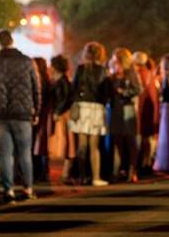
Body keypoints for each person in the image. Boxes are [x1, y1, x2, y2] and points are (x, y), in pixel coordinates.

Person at [0, 29, 41, 203]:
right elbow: (36, 88)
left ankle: (9, 191)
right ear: (12, 41)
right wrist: (36, 109)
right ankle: (28, 189)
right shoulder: (27, 62)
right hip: (22, 114)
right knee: (24, 153)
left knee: (5, 154)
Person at [68, 42, 111, 186]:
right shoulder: (102, 71)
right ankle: (96, 177)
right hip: (96, 108)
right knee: (94, 147)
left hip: (81, 106)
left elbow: (73, 89)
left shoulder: (80, 69)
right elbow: (106, 93)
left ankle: (81, 176)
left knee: (82, 146)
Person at [108, 48, 142, 183]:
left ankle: (132, 170)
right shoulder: (112, 73)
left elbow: (138, 89)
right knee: (117, 140)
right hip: (115, 108)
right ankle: (120, 169)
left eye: (117, 58)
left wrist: (124, 92)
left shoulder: (131, 72)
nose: (114, 60)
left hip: (127, 108)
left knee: (130, 140)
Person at [51, 55, 76, 182]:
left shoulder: (63, 81)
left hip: (64, 115)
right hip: (64, 114)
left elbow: (66, 99)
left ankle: (66, 172)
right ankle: (66, 172)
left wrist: (58, 111)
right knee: (66, 143)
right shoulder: (63, 80)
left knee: (67, 143)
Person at [134, 52, 159, 174]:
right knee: (147, 138)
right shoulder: (150, 75)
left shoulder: (139, 74)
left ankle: (142, 164)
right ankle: (147, 162)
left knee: (141, 139)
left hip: (141, 110)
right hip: (148, 110)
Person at [32, 57, 54, 182]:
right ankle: (43, 172)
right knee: (41, 146)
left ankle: (39, 172)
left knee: (37, 145)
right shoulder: (47, 81)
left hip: (39, 116)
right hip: (44, 116)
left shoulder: (40, 81)